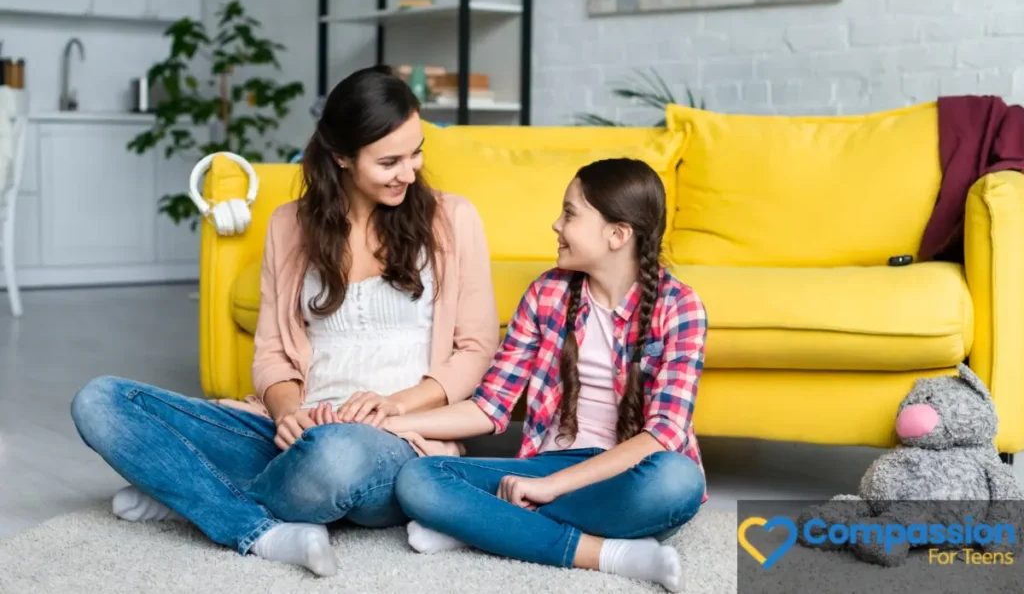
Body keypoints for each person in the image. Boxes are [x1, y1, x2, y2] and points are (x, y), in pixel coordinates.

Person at [68, 66, 499, 577]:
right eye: (389, 161)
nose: (409, 171)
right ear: (341, 157)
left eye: (416, 152)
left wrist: (394, 404)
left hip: (387, 441)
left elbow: (475, 349)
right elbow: (272, 352)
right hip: (290, 436)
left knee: (333, 456)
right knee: (99, 400)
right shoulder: (289, 225)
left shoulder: (452, 219)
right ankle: (255, 520)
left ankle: (193, 496)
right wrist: (289, 412)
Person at [382, 157, 708, 593]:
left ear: (618, 234)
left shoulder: (680, 307)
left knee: (679, 481)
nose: (556, 225)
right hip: (549, 462)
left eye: (570, 214)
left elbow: (664, 435)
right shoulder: (546, 292)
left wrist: (551, 487)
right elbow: (490, 406)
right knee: (419, 480)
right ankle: (607, 553)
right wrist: (390, 422)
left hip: (625, 475)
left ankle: (481, 526)